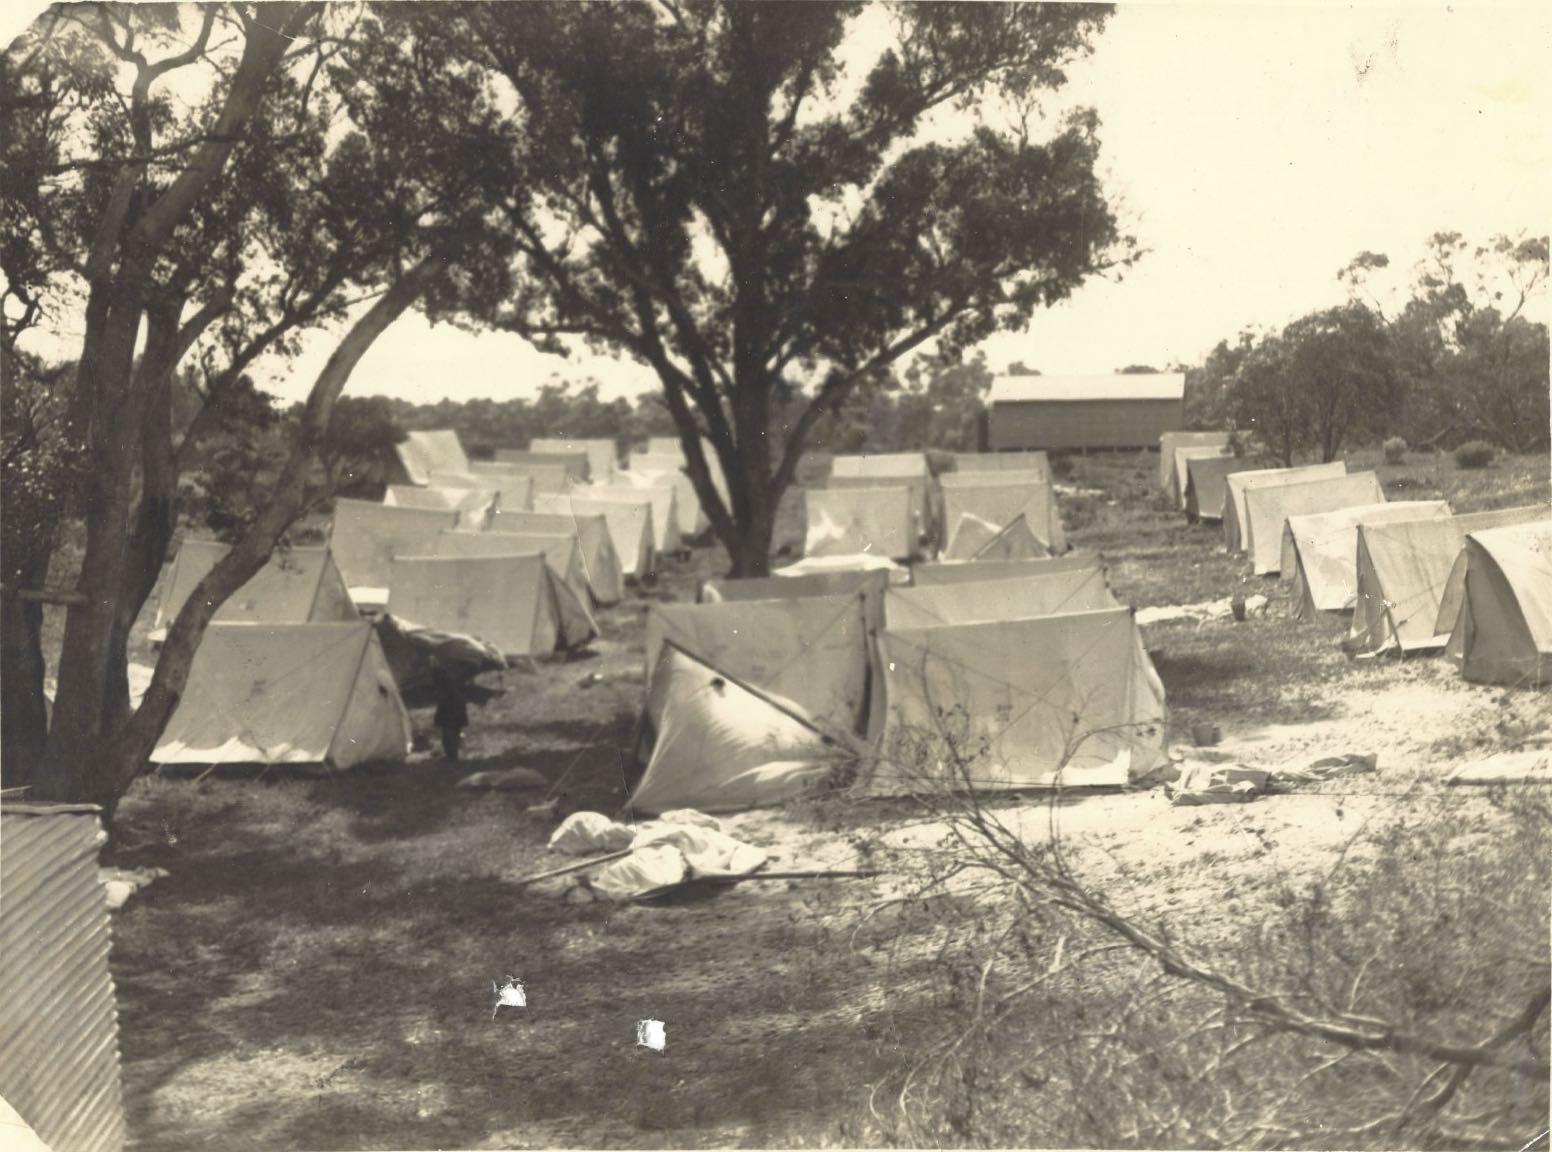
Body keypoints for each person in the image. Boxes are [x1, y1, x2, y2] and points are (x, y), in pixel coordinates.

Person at [432, 667, 469, 761]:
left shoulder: (444, 687)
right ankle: (453, 755)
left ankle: (452, 756)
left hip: (450, 711)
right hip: (457, 708)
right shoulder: (451, 685)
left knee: (449, 734)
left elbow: (443, 703)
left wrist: (438, 719)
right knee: (454, 732)